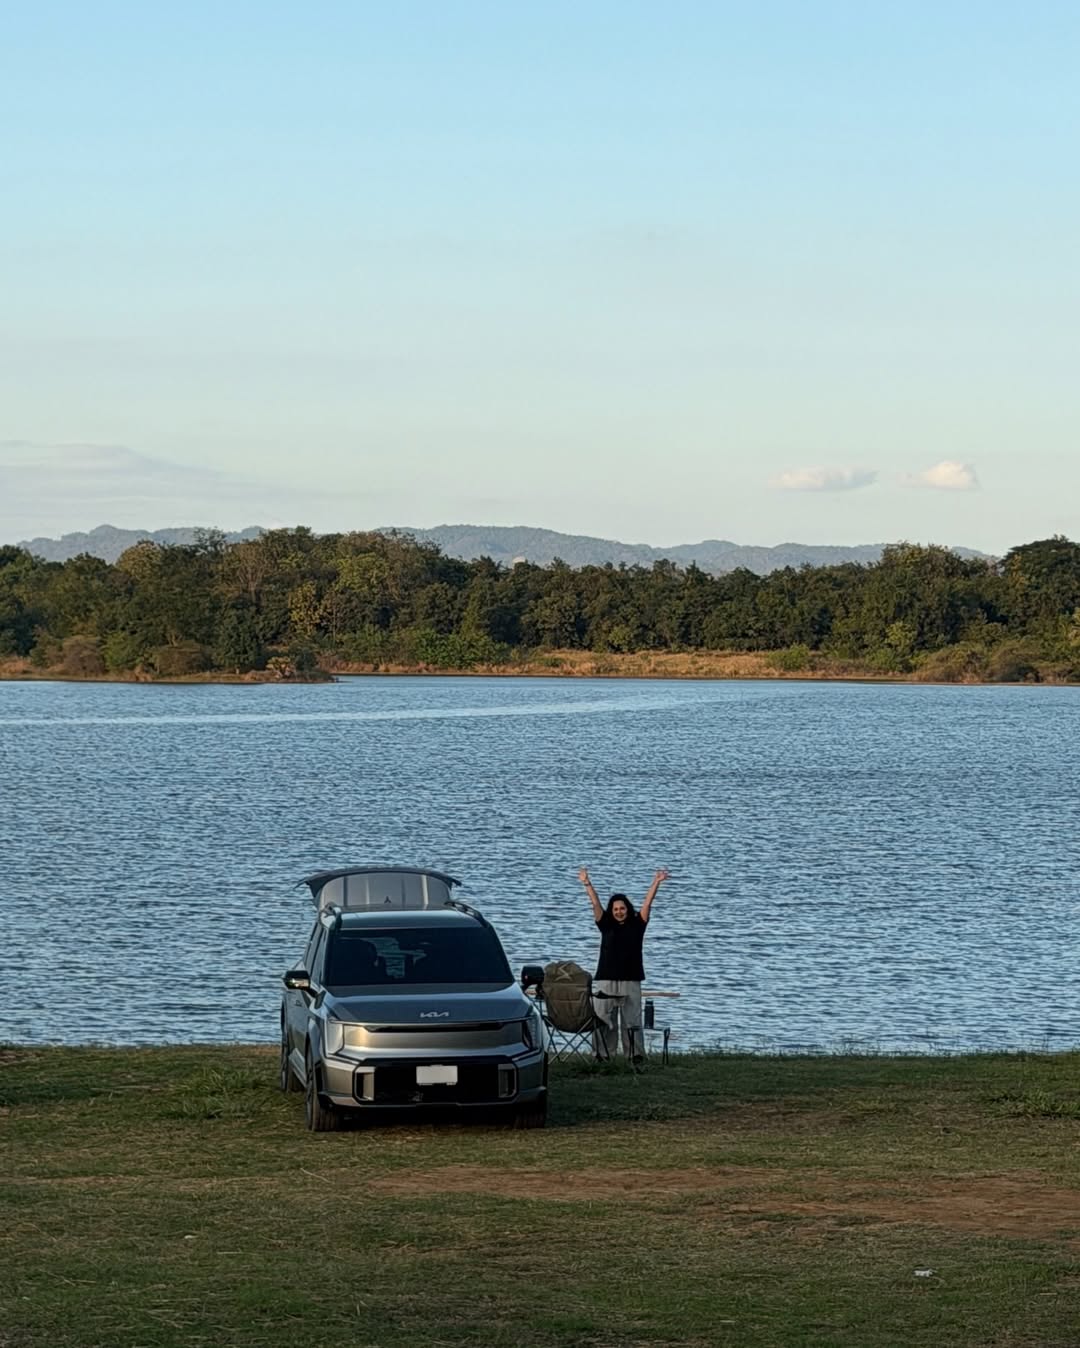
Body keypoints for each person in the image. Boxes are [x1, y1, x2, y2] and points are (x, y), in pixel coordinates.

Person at [579, 866, 670, 1060]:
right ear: (611, 911)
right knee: (604, 1019)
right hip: (606, 978)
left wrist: (656, 882)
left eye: (622, 908)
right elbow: (595, 903)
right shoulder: (605, 924)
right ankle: (602, 1055)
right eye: (615, 909)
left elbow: (648, 903)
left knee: (632, 1020)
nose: (619, 912)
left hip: (631, 978)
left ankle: (634, 1055)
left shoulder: (637, 924)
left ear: (628, 909)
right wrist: (587, 883)